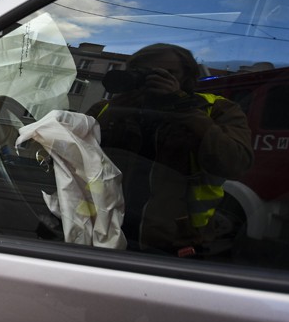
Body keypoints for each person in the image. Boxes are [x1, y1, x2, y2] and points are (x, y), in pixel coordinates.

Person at [86, 43, 253, 256]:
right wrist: (117, 111)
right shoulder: (108, 109)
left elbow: (235, 164)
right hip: (99, 234)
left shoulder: (216, 110)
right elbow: (66, 159)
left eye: (166, 73)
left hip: (175, 243)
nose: (152, 79)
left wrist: (183, 108)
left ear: (186, 77)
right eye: (143, 72)